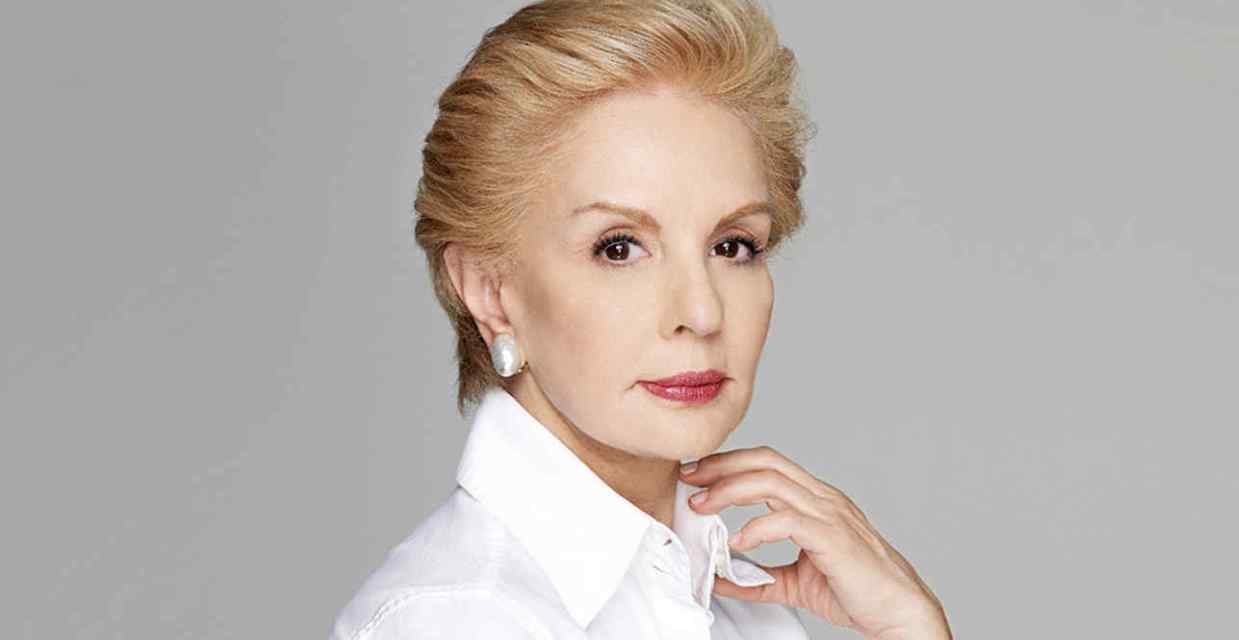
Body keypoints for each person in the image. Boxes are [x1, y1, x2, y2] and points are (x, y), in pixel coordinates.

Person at [331, 0, 952, 638]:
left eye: (732, 246)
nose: (702, 312)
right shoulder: (460, 619)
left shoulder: (744, 606)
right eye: (620, 248)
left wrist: (910, 628)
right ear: (490, 291)